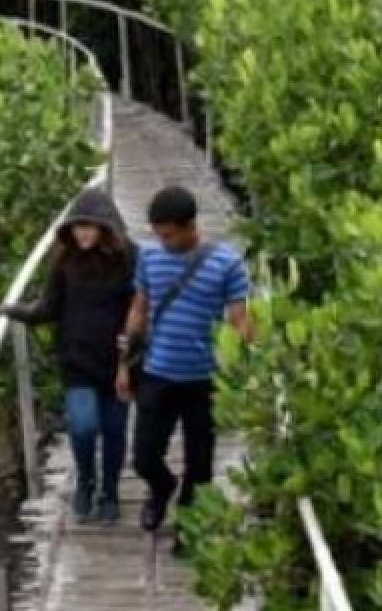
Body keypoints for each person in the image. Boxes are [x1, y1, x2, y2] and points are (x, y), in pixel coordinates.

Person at [117, 185, 254, 540]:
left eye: (169, 235)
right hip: (157, 373)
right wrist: (124, 363)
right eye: (158, 234)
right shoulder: (149, 258)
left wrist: (247, 371)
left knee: (201, 461)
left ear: (190, 226)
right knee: (144, 456)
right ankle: (161, 487)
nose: (163, 241)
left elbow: (240, 320)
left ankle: (190, 527)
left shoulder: (227, 263)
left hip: (205, 378)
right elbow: (139, 309)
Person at [0, 189, 137, 523]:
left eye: (89, 226)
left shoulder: (131, 258)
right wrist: (12, 311)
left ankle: (110, 492)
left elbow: (141, 309)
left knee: (115, 431)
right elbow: (48, 307)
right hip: (78, 364)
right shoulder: (65, 262)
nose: (82, 233)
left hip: (121, 363)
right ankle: (86, 480)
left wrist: (130, 356)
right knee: (83, 426)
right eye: (77, 227)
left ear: (105, 227)